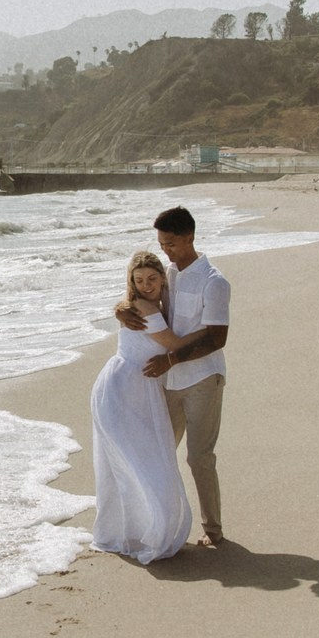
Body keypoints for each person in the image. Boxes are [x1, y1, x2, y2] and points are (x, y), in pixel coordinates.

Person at [117, 205, 231, 547]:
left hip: (202, 379)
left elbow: (217, 338)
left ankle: (213, 530)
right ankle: (160, 524)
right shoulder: (168, 275)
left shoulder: (215, 282)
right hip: (169, 384)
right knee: (159, 453)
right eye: (162, 244)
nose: (166, 250)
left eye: (171, 243)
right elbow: (142, 295)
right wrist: (121, 308)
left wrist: (171, 359)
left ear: (189, 237)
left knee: (199, 457)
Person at [88, 251, 196, 563]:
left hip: (135, 389)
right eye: (139, 280)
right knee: (136, 461)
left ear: (163, 278)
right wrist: (216, 332)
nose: (146, 285)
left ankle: (133, 530)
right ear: (131, 283)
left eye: (151, 279)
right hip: (122, 389)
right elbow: (176, 345)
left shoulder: (147, 306)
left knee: (133, 461)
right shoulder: (144, 307)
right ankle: (144, 531)